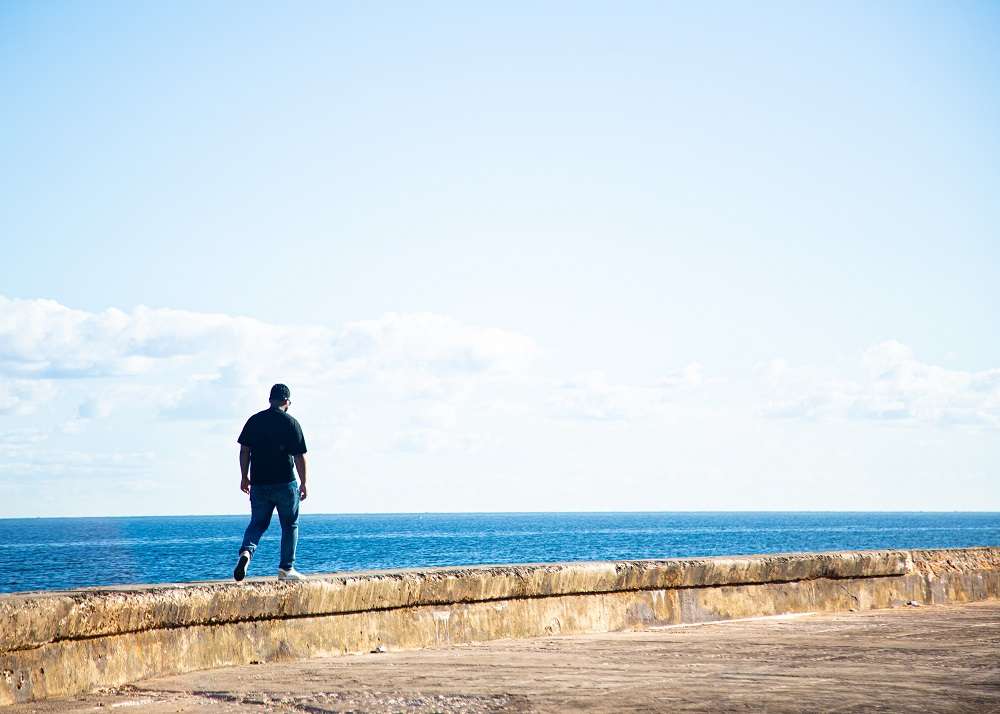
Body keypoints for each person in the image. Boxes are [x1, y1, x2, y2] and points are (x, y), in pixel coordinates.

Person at [233, 383, 309, 582]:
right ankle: (286, 569)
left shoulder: (254, 421)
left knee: (257, 523)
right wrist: (304, 482)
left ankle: (246, 554)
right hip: (285, 483)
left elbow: (244, 451)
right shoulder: (291, 423)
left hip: (259, 483)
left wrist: (244, 476)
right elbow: (299, 457)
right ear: (286, 401)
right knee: (290, 524)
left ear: (270, 399)